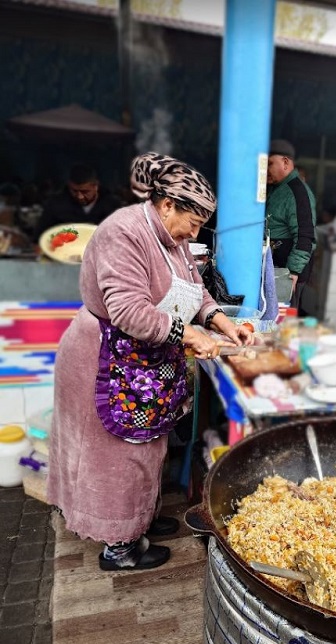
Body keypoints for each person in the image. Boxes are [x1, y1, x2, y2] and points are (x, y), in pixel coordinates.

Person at [46, 152, 254, 571]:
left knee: (148, 450)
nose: (193, 234)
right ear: (166, 205)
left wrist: (219, 322)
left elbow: (196, 289)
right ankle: (120, 547)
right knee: (116, 458)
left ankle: (137, 522)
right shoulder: (122, 232)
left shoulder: (173, 240)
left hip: (146, 361)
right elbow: (127, 310)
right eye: (192, 223)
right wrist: (191, 335)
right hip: (107, 359)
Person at [266, 139, 316, 309]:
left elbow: (305, 237)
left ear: (285, 163)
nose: (265, 171)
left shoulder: (298, 192)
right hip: (276, 269)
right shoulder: (276, 188)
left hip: (288, 274)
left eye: (270, 164)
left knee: (282, 321)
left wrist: (292, 273)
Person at [35, 162, 121, 239]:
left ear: (95, 186)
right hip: (63, 253)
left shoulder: (112, 205)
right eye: (74, 191)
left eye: (85, 191)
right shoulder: (55, 204)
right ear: (69, 185)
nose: (80, 196)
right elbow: (40, 236)